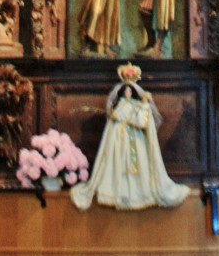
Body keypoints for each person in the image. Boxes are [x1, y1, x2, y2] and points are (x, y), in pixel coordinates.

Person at [70, 63, 189, 211]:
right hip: (119, 139)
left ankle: (140, 194)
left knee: (138, 165)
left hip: (136, 140)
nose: (127, 93)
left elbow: (141, 122)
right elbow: (115, 117)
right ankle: (117, 193)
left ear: (133, 92)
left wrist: (144, 106)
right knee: (118, 163)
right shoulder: (119, 105)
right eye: (125, 90)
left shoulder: (137, 105)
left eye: (129, 90)